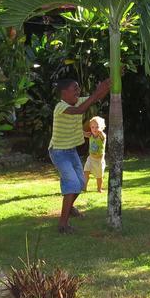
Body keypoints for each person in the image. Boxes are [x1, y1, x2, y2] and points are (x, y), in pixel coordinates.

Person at [49, 77, 110, 233]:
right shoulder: (60, 107)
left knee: (81, 182)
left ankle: (69, 208)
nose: (78, 91)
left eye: (78, 89)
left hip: (70, 150)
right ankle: (63, 225)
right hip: (59, 152)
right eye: (74, 89)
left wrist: (110, 81)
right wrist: (96, 93)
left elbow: (96, 97)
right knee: (72, 185)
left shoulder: (76, 101)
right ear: (64, 93)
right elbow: (80, 110)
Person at [83, 116, 107, 193]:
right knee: (86, 172)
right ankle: (84, 187)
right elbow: (84, 134)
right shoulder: (90, 135)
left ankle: (99, 188)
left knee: (99, 176)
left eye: (97, 127)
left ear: (102, 127)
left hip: (99, 160)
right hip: (90, 158)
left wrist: (100, 131)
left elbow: (103, 136)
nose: (95, 129)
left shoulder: (102, 136)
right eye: (93, 127)